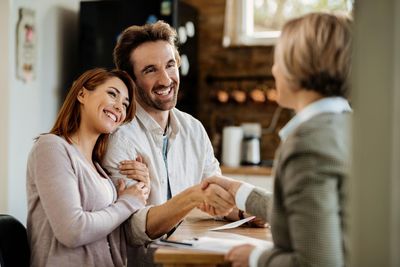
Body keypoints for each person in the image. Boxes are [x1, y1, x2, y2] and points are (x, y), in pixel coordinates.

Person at [203, 12, 352, 267]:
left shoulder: (308, 143)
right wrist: (240, 192)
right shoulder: (348, 125)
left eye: (279, 59)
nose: (273, 69)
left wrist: (256, 257)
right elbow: (311, 216)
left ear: (300, 66)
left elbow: (316, 263)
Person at [102, 21, 239, 265]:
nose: (166, 79)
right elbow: (132, 229)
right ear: (130, 81)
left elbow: (214, 195)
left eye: (170, 65)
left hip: (191, 257)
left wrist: (244, 213)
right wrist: (192, 197)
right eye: (150, 70)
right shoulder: (120, 138)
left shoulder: (193, 129)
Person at [26, 68, 150, 267]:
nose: (119, 107)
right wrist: (127, 203)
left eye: (125, 104)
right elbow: (72, 231)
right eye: (112, 94)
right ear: (82, 94)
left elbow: (110, 235)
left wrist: (141, 190)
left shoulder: (98, 168)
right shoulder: (51, 147)